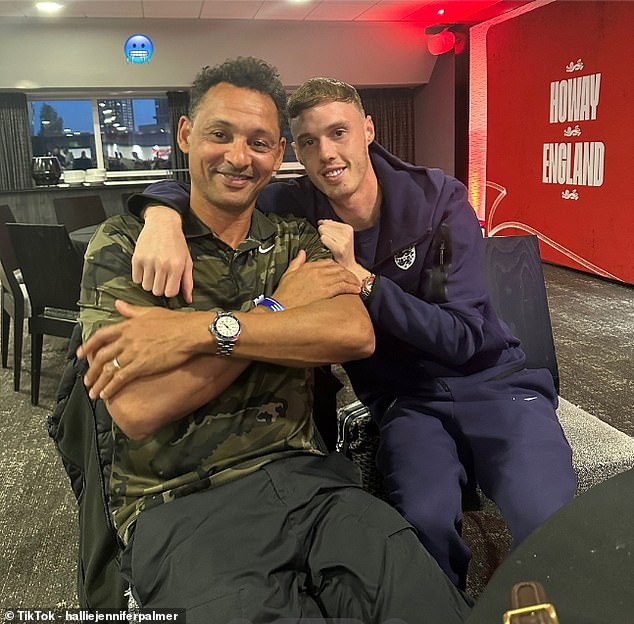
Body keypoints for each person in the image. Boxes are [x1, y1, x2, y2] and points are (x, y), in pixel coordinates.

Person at [126, 77, 577, 590]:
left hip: (495, 383)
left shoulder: (439, 199)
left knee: (552, 523)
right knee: (421, 526)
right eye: (309, 141)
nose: (326, 153)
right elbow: (214, 188)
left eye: (338, 132)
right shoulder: (295, 208)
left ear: (368, 129)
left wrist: (363, 282)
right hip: (405, 403)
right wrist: (160, 214)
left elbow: (463, 337)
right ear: (293, 149)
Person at [76, 57, 471, 621]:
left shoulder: (293, 236)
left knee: (422, 599)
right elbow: (138, 407)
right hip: (184, 504)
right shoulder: (127, 246)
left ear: (279, 152)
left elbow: (353, 333)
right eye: (220, 135)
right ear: (185, 135)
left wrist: (197, 332)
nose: (240, 157)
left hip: (311, 482)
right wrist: (282, 313)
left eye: (260, 142)